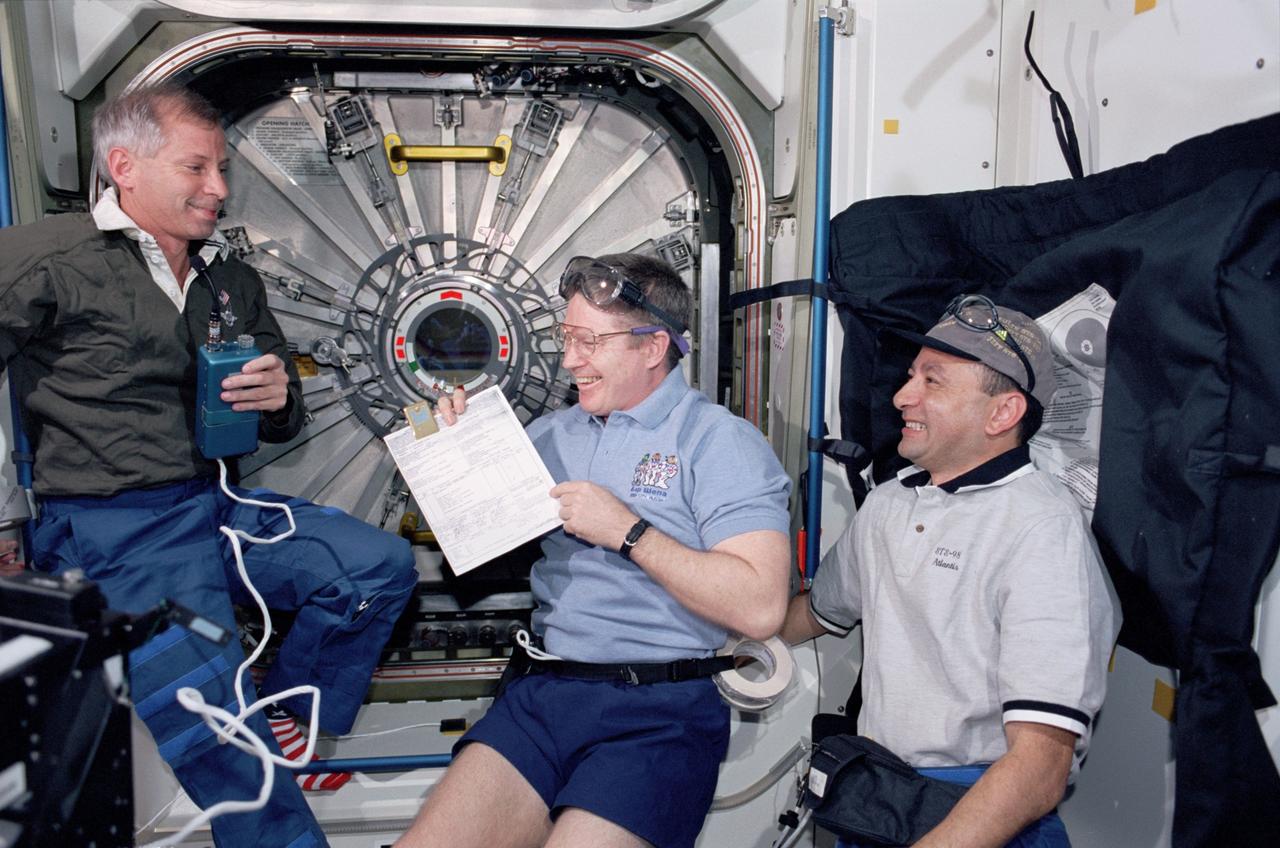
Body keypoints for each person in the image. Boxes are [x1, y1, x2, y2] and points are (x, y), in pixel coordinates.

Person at [0, 81, 418, 847]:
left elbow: (282, 414)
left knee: (377, 567)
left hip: (218, 504)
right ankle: (258, 763)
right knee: (231, 750)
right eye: (198, 169)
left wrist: (275, 391)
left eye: (221, 169)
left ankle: (293, 715)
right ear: (124, 166)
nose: (219, 189)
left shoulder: (228, 278)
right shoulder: (45, 259)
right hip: (113, 530)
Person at [396, 254, 793, 848]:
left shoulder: (719, 442)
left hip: (656, 713)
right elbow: (469, 547)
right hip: (542, 695)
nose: (569, 359)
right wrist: (446, 448)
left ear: (654, 346)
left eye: (589, 341)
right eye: (566, 336)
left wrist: (630, 533)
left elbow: (762, 607)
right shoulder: (552, 436)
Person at [781, 296, 1117, 848]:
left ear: (1002, 413)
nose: (901, 396)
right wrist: (720, 644)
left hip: (983, 810)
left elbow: (1039, 769)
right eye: (911, 374)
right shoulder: (890, 503)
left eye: (931, 382)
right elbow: (816, 614)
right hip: (883, 796)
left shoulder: (1042, 530)